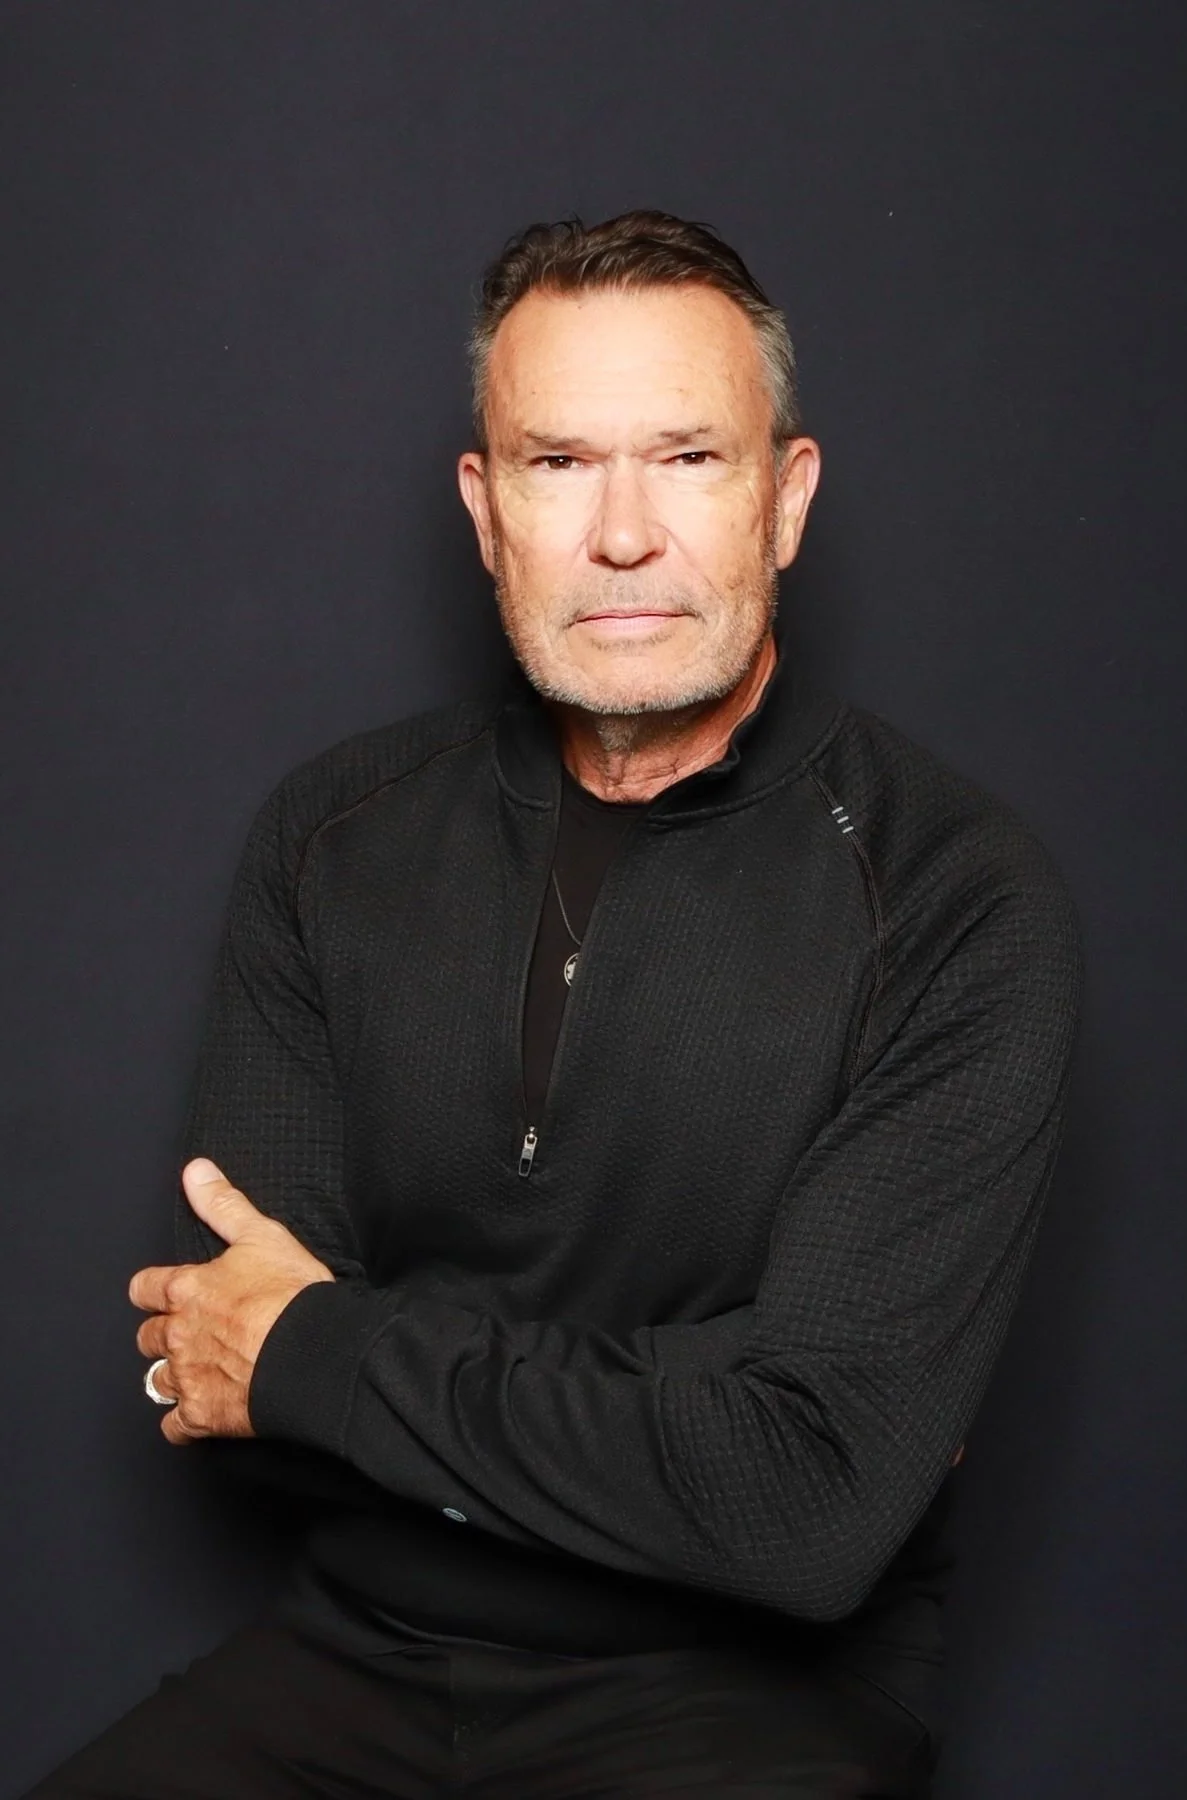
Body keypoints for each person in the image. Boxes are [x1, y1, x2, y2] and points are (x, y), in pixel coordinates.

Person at [25, 209, 1083, 1799]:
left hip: (744, 1702)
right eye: (558, 464)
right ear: (484, 508)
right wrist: (693, 1391)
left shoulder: (954, 895)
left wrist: (334, 1356)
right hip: (356, 1657)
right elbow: (235, 1379)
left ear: (785, 501)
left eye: (687, 458)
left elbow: (810, 1505)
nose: (624, 534)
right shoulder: (331, 838)